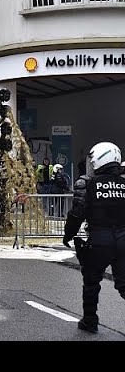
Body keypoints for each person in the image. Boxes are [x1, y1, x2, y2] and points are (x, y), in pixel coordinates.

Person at [63, 141, 125, 333]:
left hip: (99, 240)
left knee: (91, 282)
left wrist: (68, 235)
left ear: (99, 159)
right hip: (124, 239)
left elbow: (76, 214)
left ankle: (90, 321)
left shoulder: (88, 184)